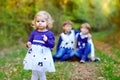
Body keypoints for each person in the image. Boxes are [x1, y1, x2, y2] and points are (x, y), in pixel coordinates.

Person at [23, 11, 55, 80]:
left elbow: (52, 45)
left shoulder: (49, 34)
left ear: (47, 22)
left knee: (41, 72)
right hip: (34, 55)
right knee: (34, 72)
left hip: (43, 56)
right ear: (35, 22)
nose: (40, 23)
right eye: (38, 21)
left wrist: (46, 40)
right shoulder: (34, 32)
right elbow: (30, 41)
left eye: (42, 21)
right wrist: (28, 44)